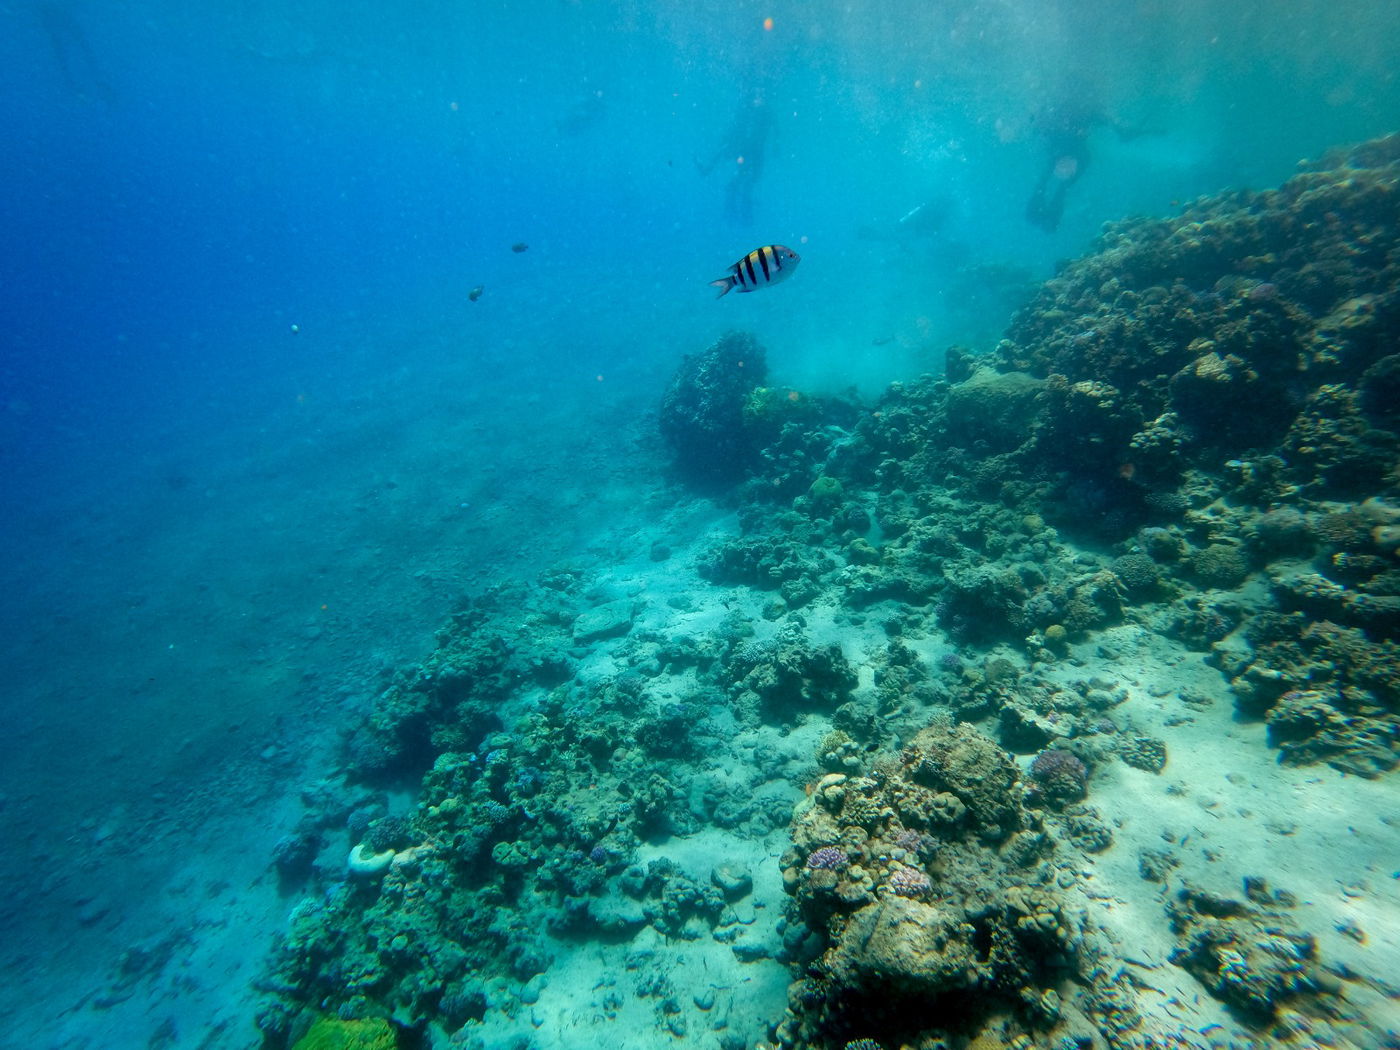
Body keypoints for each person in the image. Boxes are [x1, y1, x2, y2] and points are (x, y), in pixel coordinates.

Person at [1024, 81, 1141, 232]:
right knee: (1070, 171)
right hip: (1067, 145)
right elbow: (1109, 122)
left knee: (1051, 174)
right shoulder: (1086, 106)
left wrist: (1122, 131)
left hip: (1059, 144)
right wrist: (1122, 131)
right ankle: (1050, 205)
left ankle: (1045, 206)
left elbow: (1040, 124)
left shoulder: (1069, 105)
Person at [696, 94, 773, 226]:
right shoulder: (748, 118)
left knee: (746, 182)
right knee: (744, 182)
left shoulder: (760, 116)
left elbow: (768, 131)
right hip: (749, 152)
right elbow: (733, 135)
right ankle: (738, 215)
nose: (758, 102)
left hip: (752, 152)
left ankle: (737, 214)